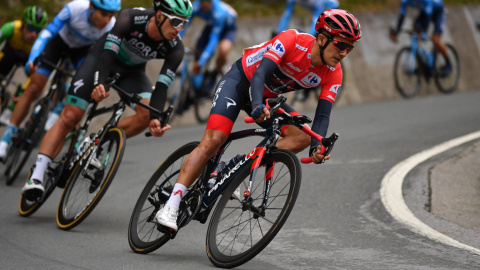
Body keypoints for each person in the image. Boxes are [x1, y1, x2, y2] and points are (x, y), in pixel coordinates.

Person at [155, 9, 361, 231]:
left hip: (268, 98)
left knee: (302, 136)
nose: (344, 52)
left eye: (350, 47)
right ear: (322, 38)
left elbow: (322, 115)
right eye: (341, 45)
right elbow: (260, 74)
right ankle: (171, 206)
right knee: (214, 140)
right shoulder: (292, 40)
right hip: (241, 82)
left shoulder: (334, 72)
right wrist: (256, 105)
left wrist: (316, 146)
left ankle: (235, 168)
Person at [21, 0, 192, 201]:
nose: (179, 29)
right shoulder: (131, 18)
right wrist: (99, 83)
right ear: (160, 16)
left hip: (132, 73)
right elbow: (108, 53)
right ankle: (37, 175)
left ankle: (96, 144)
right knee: (69, 118)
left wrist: (156, 118)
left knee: (146, 115)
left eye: (184, 23)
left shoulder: (176, 48)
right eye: (175, 21)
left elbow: (162, 87)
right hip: (100, 60)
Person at [0, 0, 120, 161]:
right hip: (57, 44)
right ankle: (5, 139)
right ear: (91, 8)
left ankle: (56, 112)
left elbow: (105, 57)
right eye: (104, 14)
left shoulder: (111, 26)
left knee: (82, 87)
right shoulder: (75, 8)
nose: (107, 20)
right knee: (35, 88)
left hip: (81, 52)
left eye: (111, 15)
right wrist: (35, 56)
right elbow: (47, 33)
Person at [276, 0, 339, 101]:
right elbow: (286, 14)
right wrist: (279, 33)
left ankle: (312, 84)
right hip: (318, 12)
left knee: (317, 44)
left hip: (331, 10)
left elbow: (316, 19)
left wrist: (308, 38)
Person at [0, 5, 48, 125]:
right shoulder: (10, 28)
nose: (33, 34)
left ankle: (12, 109)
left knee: (36, 79)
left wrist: (26, 94)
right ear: (22, 24)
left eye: (37, 30)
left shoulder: (40, 40)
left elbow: (39, 72)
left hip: (28, 60)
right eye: (31, 28)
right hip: (9, 54)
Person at [179, 0, 237, 94]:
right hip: (211, 25)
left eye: (207, 4)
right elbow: (185, 24)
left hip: (227, 29)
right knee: (198, 50)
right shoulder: (195, 6)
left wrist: (202, 60)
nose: (205, 6)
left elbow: (213, 39)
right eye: (203, 4)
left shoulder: (219, 13)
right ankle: (195, 84)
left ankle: (216, 73)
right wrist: (177, 38)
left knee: (223, 51)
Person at [389, 0, 451, 75]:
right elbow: (402, 16)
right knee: (414, 30)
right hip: (426, 12)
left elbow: (428, 17)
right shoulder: (404, 1)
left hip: (438, 13)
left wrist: (423, 32)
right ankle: (422, 62)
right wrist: (396, 32)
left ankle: (448, 64)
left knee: (435, 39)